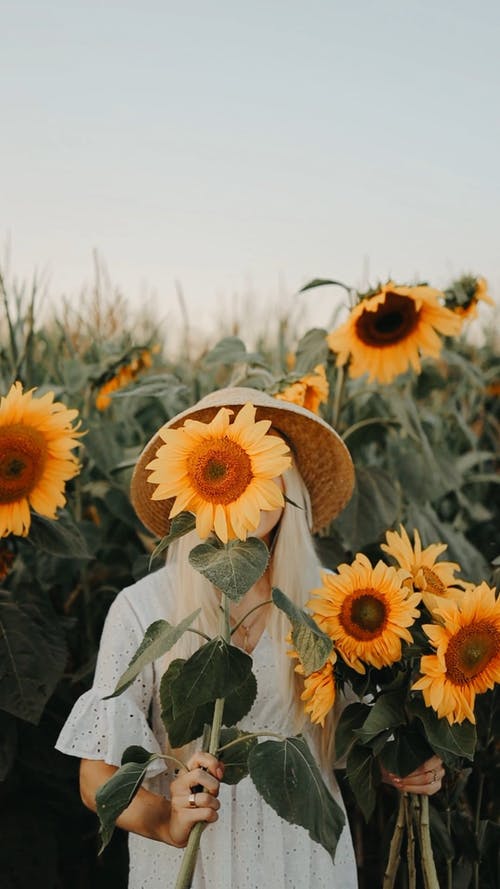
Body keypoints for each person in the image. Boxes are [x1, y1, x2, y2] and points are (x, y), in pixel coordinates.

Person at [55, 387, 444, 889]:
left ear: (293, 487)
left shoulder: (332, 604)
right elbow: (98, 778)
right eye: (231, 463)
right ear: (196, 483)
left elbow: (361, 736)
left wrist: (403, 764)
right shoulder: (144, 607)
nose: (251, 480)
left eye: (264, 461)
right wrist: (167, 823)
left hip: (304, 861)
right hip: (189, 866)